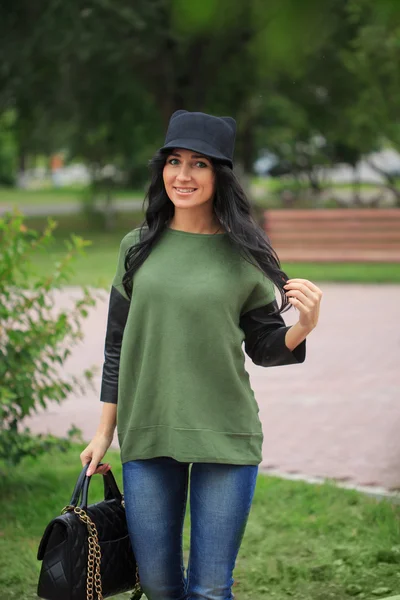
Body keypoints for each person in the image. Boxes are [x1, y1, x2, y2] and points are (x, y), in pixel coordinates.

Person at [80, 110, 322, 600]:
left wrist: (304, 326)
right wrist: (104, 432)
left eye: (199, 164)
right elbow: (116, 345)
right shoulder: (137, 249)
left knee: (210, 590)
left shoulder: (246, 253)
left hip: (225, 435)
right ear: (161, 169)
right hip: (149, 432)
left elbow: (265, 349)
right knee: (158, 585)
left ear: (220, 175)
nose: (183, 176)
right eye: (174, 161)